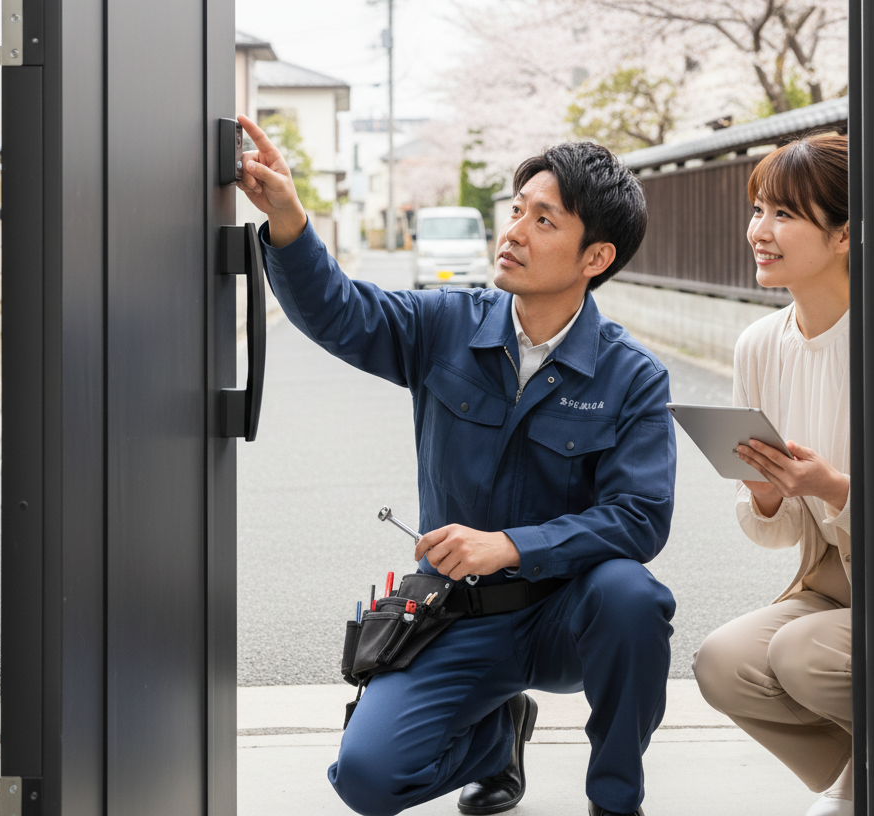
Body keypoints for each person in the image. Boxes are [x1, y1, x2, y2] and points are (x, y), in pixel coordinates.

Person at [235, 114, 676, 816]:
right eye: (515, 211)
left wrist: (509, 546)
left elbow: (640, 517)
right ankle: (496, 739)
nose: (513, 232)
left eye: (543, 220)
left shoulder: (632, 376)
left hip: (565, 614)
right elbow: (342, 313)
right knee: (367, 779)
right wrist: (288, 219)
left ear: (595, 257)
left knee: (633, 597)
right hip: (457, 614)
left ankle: (616, 800)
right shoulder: (446, 326)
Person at [691, 132, 853, 816]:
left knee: (801, 654)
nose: (761, 231)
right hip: (833, 583)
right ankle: (863, 775)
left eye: (784, 214)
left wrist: (832, 489)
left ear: (843, 234)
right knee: (722, 662)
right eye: (759, 210)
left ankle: (867, 783)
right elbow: (780, 536)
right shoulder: (759, 345)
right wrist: (764, 495)